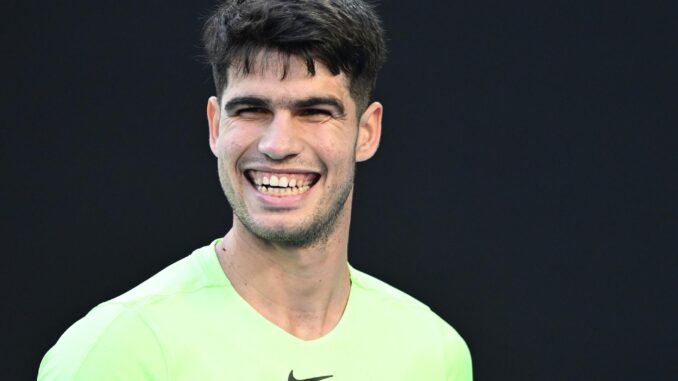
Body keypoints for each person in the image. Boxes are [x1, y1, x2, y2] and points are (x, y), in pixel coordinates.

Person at [38, 1, 472, 380]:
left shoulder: (433, 351)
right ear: (214, 125)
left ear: (366, 132)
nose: (277, 145)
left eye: (315, 111)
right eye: (251, 109)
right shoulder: (115, 351)